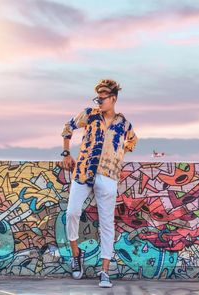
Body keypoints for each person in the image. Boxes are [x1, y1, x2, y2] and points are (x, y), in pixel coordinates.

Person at [58, 79, 138, 288]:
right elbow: (68, 127)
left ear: (113, 99)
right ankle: (76, 253)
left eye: (102, 97)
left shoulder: (124, 124)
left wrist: (118, 153)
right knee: (72, 212)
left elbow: (133, 141)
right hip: (83, 170)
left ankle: (104, 271)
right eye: (97, 97)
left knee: (106, 224)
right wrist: (66, 152)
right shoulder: (90, 114)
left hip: (108, 175)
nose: (99, 101)